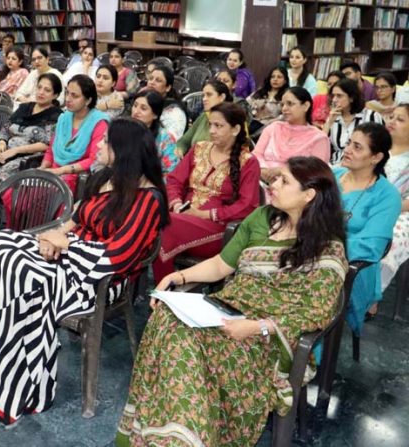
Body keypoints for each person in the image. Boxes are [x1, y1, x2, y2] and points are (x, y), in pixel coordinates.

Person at [0, 117, 169, 425]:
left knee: (21, 273)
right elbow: (74, 219)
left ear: (122, 150)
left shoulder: (149, 198)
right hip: (69, 255)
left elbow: (118, 257)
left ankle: (9, 379)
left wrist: (65, 245)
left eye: (105, 142)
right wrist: (53, 238)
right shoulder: (105, 178)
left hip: (97, 278)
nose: (98, 145)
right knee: (0, 243)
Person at [116, 156, 348, 447]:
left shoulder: (329, 248)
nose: (272, 184)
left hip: (269, 338)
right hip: (229, 310)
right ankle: (178, 436)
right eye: (275, 178)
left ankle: (182, 438)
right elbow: (222, 265)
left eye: (284, 181)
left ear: (309, 194)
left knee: (184, 342)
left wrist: (257, 327)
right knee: (166, 318)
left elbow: (317, 312)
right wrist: (178, 278)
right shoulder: (263, 217)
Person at [153, 102, 261, 282]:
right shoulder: (199, 148)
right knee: (158, 218)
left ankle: (162, 291)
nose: (211, 130)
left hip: (218, 230)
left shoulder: (248, 162)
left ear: (235, 130)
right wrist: (177, 203)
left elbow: (247, 206)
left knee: (164, 223)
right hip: (182, 217)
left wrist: (205, 214)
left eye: (218, 126)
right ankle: (163, 292)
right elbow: (174, 180)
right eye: (211, 124)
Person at [334, 123, 401, 330]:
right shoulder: (333, 177)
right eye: (348, 144)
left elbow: (371, 247)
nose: (347, 150)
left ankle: (308, 355)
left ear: (376, 157)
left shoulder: (387, 195)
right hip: (311, 253)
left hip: (352, 269)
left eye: (357, 147)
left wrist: (323, 250)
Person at [39, 74, 109, 195]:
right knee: (17, 190)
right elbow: (51, 149)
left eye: (74, 95)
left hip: (76, 177)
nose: (68, 99)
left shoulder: (99, 123)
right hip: (54, 171)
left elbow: (95, 159)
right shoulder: (64, 118)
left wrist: (63, 170)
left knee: (40, 196)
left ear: (88, 100)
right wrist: (43, 167)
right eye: (67, 93)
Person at [0, 73, 63, 182]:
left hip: (29, 159)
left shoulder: (55, 115)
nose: (41, 92)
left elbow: (47, 144)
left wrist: (16, 151)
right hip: (7, 151)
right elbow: (6, 127)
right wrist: (2, 143)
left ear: (55, 95)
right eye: (39, 87)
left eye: (47, 90)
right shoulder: (24, 107)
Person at [254, 87, 331, 183]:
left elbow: (316, 171)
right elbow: (256, 155)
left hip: (296, 190)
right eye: (283, 104)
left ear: (306, 106)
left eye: (290, 104)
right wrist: (263, 171)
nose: (284, 108)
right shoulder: (273, 128)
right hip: (260, 181)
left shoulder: (318, 138)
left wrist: (281, 171)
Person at [381, 104, 409, 291]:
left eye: (400, 119)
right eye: (391, 117)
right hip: (367, 203)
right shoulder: (376, 149)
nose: (392, 122)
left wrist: (388, 208)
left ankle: (371, 294)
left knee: (387, 239)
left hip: (402, 211)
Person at [324, 78, 384, 164]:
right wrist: (329, 122)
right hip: (335, 166)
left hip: (362, 166)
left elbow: (380, 145)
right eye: (333, 96)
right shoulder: (333, 118)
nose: (334, 100)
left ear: (352, 98)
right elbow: (321, 144)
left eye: (339, 96)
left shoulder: (372, 116)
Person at [176, 79, 232, 155]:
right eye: (203, 96)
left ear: (222, 97)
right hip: (194, 163)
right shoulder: (204, 117)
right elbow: (184, 141)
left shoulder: (233, 120)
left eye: (209, 95)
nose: (204, 99)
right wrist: (180, 150)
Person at [131, 90, 179, 175]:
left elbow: (171, 173)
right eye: (135, 106)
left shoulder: (166, 139)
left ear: (155, 115)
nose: (136, 112)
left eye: (143, 108)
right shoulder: (123, 131)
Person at [144, 65, 188, 141]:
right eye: (150, 79)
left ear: (168, 88)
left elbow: (170, 142)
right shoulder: (144, 102)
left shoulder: (175, 113)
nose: (152, 82)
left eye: (158, 80)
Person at [247, 65, 290, 134]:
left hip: (270, 128)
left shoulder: (287, 96)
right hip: (252, 122)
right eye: (273, 77)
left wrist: (272, 122)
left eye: (279, 77)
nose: (275, 79)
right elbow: (246, 103)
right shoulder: (261, 91)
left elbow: (285, 115)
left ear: (285, 81)